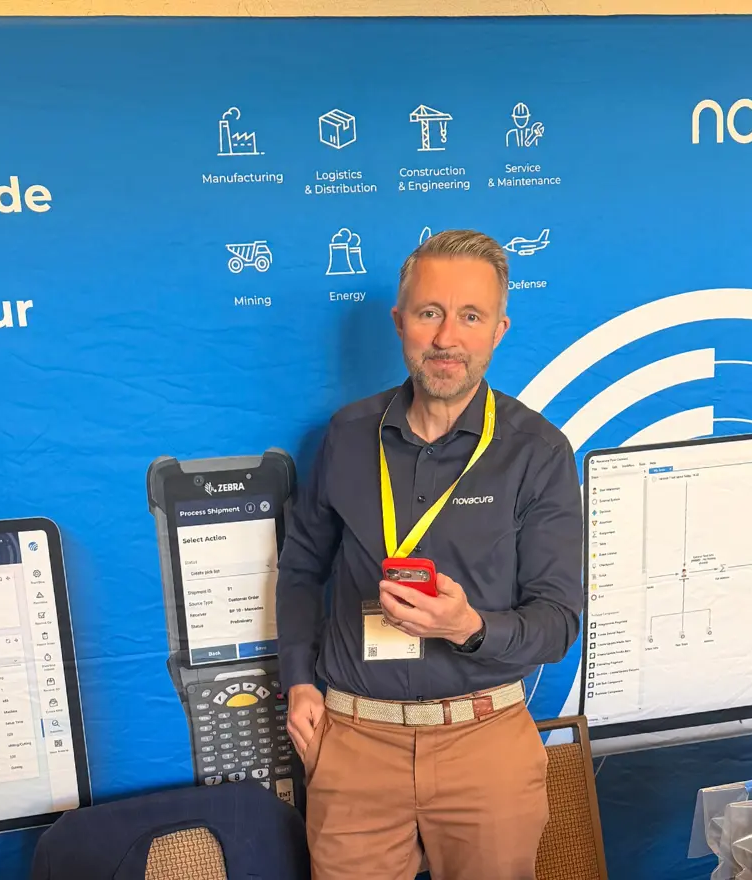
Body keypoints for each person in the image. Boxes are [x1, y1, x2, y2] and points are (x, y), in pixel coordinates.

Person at [275, 229, 584, 880]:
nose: (448, 338)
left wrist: (468, 627)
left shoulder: (537, 452)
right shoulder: (347, 435)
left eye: (470, 316)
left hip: (485, 742)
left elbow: (558, 624)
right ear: (400, 322)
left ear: (499, 328)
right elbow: (302, 568)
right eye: (429, 313)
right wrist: (300, 680)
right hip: (355, 743)